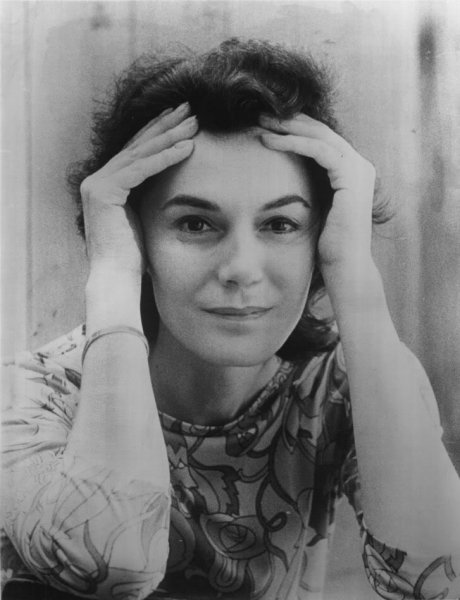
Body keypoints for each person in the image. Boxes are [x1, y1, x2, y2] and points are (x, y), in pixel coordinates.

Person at [2, 38, 460, 600]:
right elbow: (113, 565)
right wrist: (114, 274)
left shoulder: (339, 381)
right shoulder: (30, 395)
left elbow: (440, 573)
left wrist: (354, 273)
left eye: (281, 225)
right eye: (195, 224)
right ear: (135, 235)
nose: (241, 268)